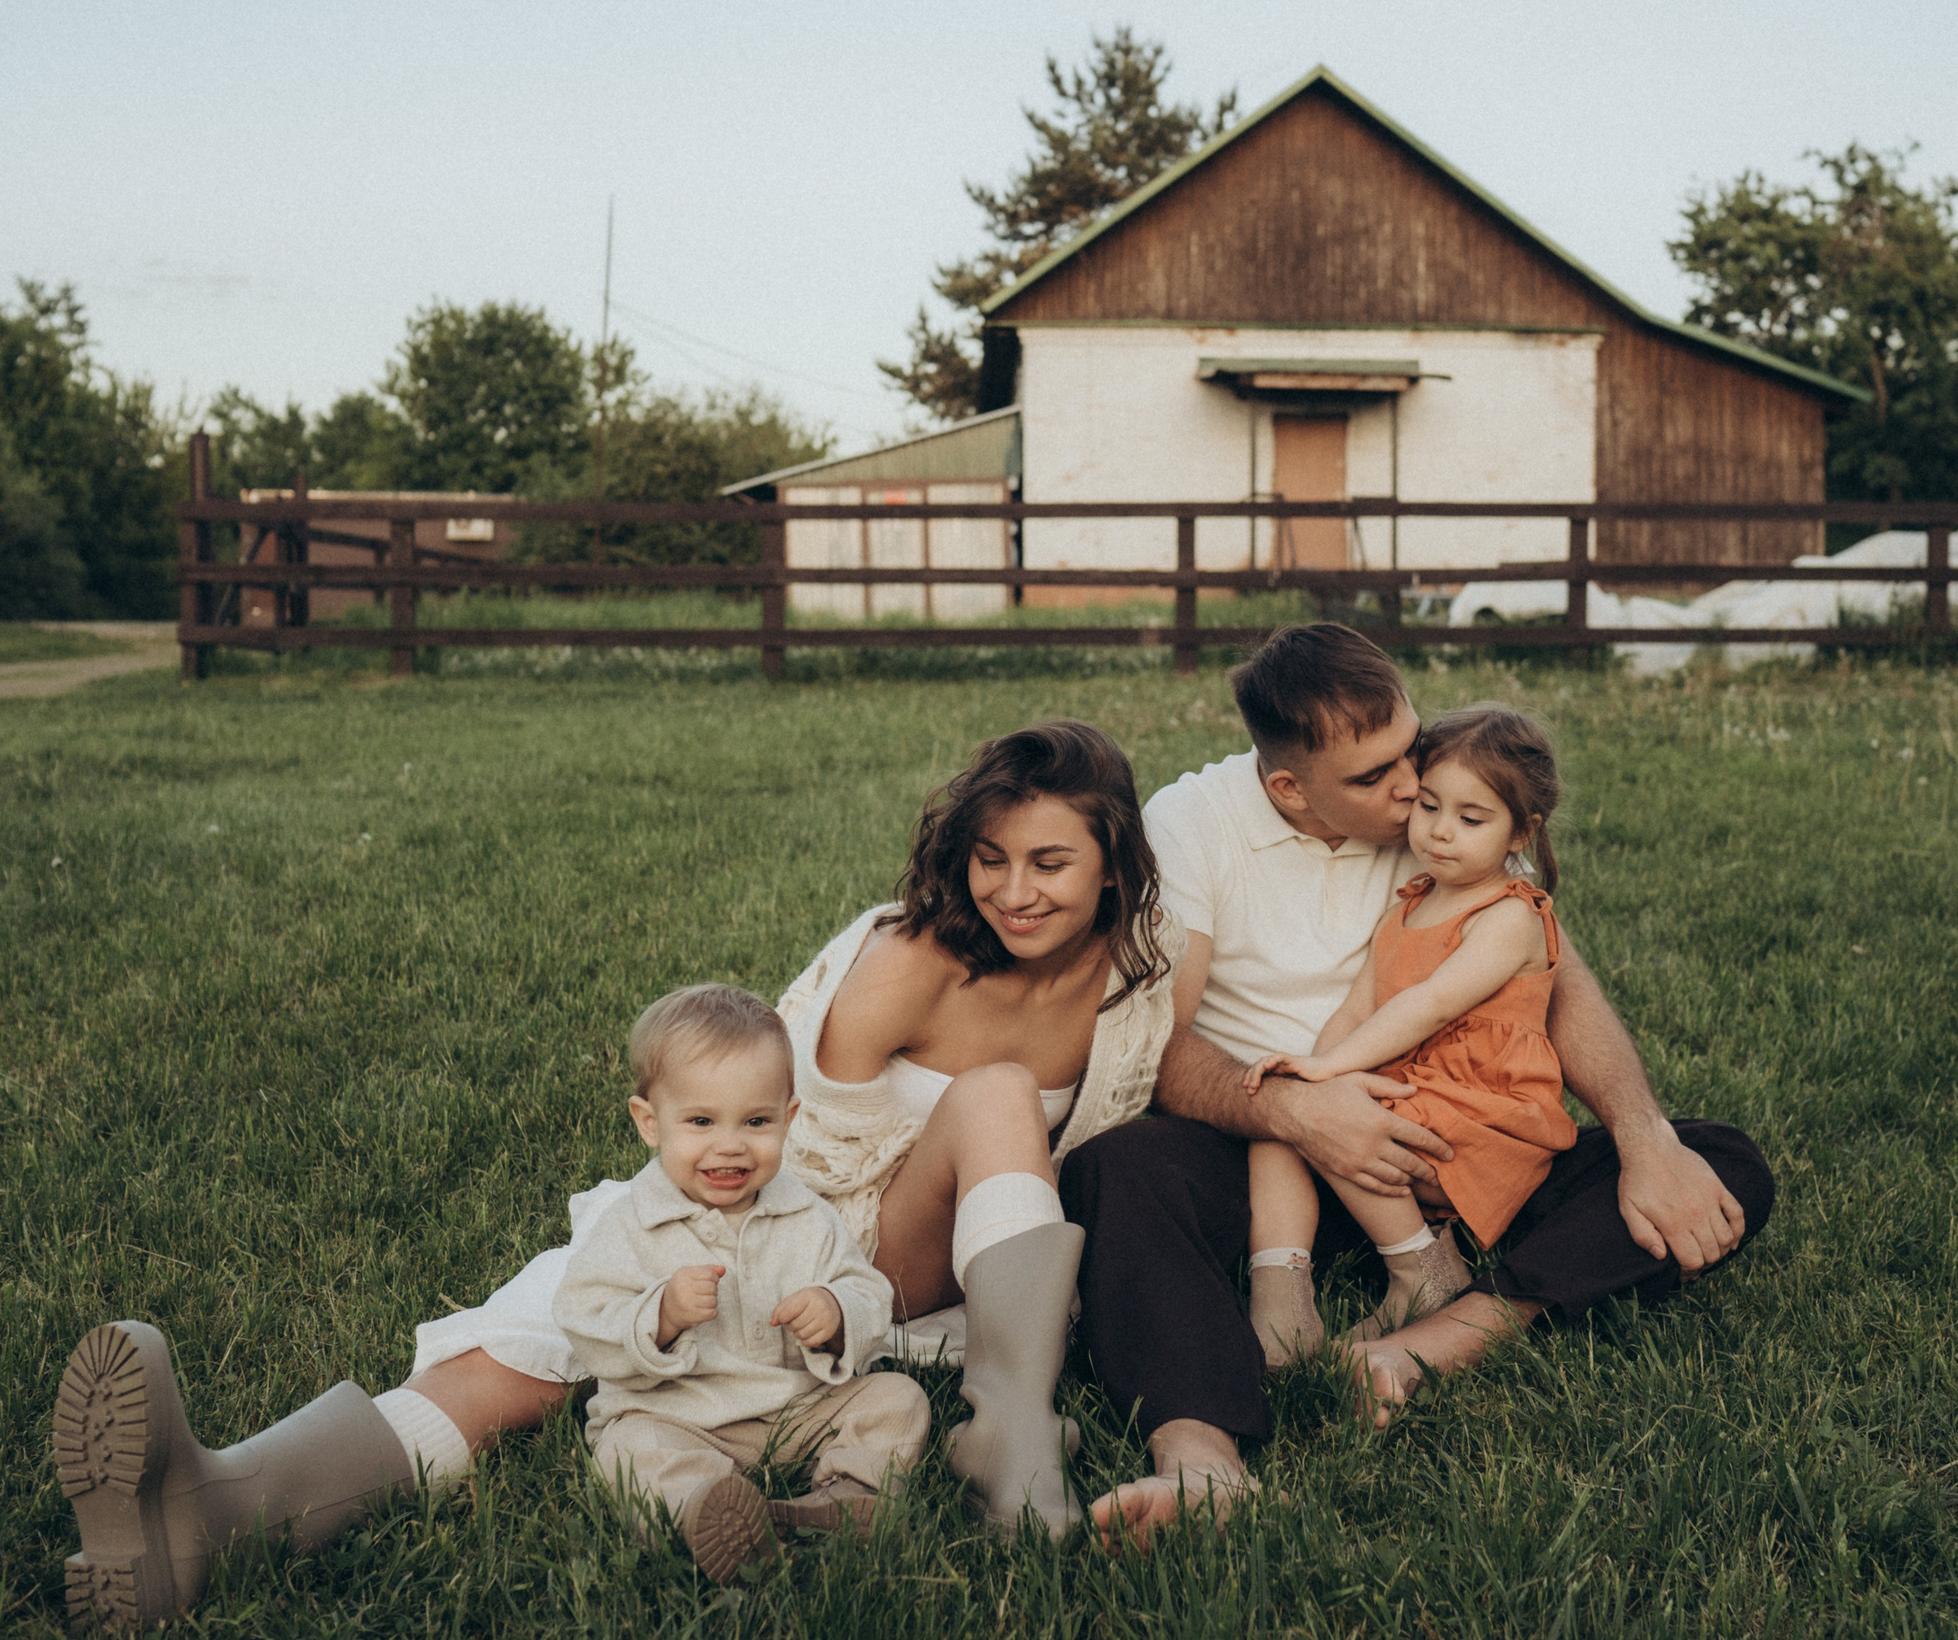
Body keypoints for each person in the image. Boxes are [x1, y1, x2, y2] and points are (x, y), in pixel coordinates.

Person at [53, 720, 1180, 1628]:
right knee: (543, 1338)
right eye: (990, 858)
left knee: (988, 1093)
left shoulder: (1137, 979)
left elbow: (1187, 1069)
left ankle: (1013, 1445)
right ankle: (225, 1506)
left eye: (1049, 862)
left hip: (909, 1278)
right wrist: (700, 1259)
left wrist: (1280, 1096)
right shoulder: (914, 957)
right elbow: (784, 1149)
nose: (1013, 890)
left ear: (1114, 862)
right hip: (783, 1215)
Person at [1061, 624, 1777, 1545]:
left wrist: (1645, 1139)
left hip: (1450, 1148)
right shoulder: (1193, 825)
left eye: (1412, 748)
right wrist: (1301, 1110)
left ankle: (1429, 1341)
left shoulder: (1447, 807)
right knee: (1116, 1169)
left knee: (1719, 1160)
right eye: (1377, 776)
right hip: (1273, 1161)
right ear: (1290, 789)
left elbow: (1554, 977)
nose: (1412, 787)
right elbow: (1161, 1042)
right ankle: (1201, 1460)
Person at [553, 984, 927, 1582]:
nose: (730, 1146)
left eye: (756, 1121)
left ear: (789, 1119)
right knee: (630, 1449)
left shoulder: (805, 1215)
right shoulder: (630, 1224)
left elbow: (867, 1293)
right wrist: (661, 1314)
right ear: (650, 1123)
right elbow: (584, 1318)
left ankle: (845, 1497)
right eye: (701, 1121)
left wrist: (836, 1312)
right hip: (676, 1416)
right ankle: (705, 1510)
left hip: (796, 1409)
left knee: (897, 1399)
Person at [1242, 703, 1575, 1365]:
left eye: (1471, 819)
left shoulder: (1509, 918)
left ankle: (1423, 1271)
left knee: (1348, 1122)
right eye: (1428, 806)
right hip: (1422, 1094)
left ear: (1521, 831)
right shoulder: (1408, 906)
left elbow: (1431, 1004)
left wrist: (1331, 1074)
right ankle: (1281, 1303)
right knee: (1280, 1119)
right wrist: (1312, 1079)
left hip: (1485, 1116)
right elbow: (1358, 1006)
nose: (1441, 831)